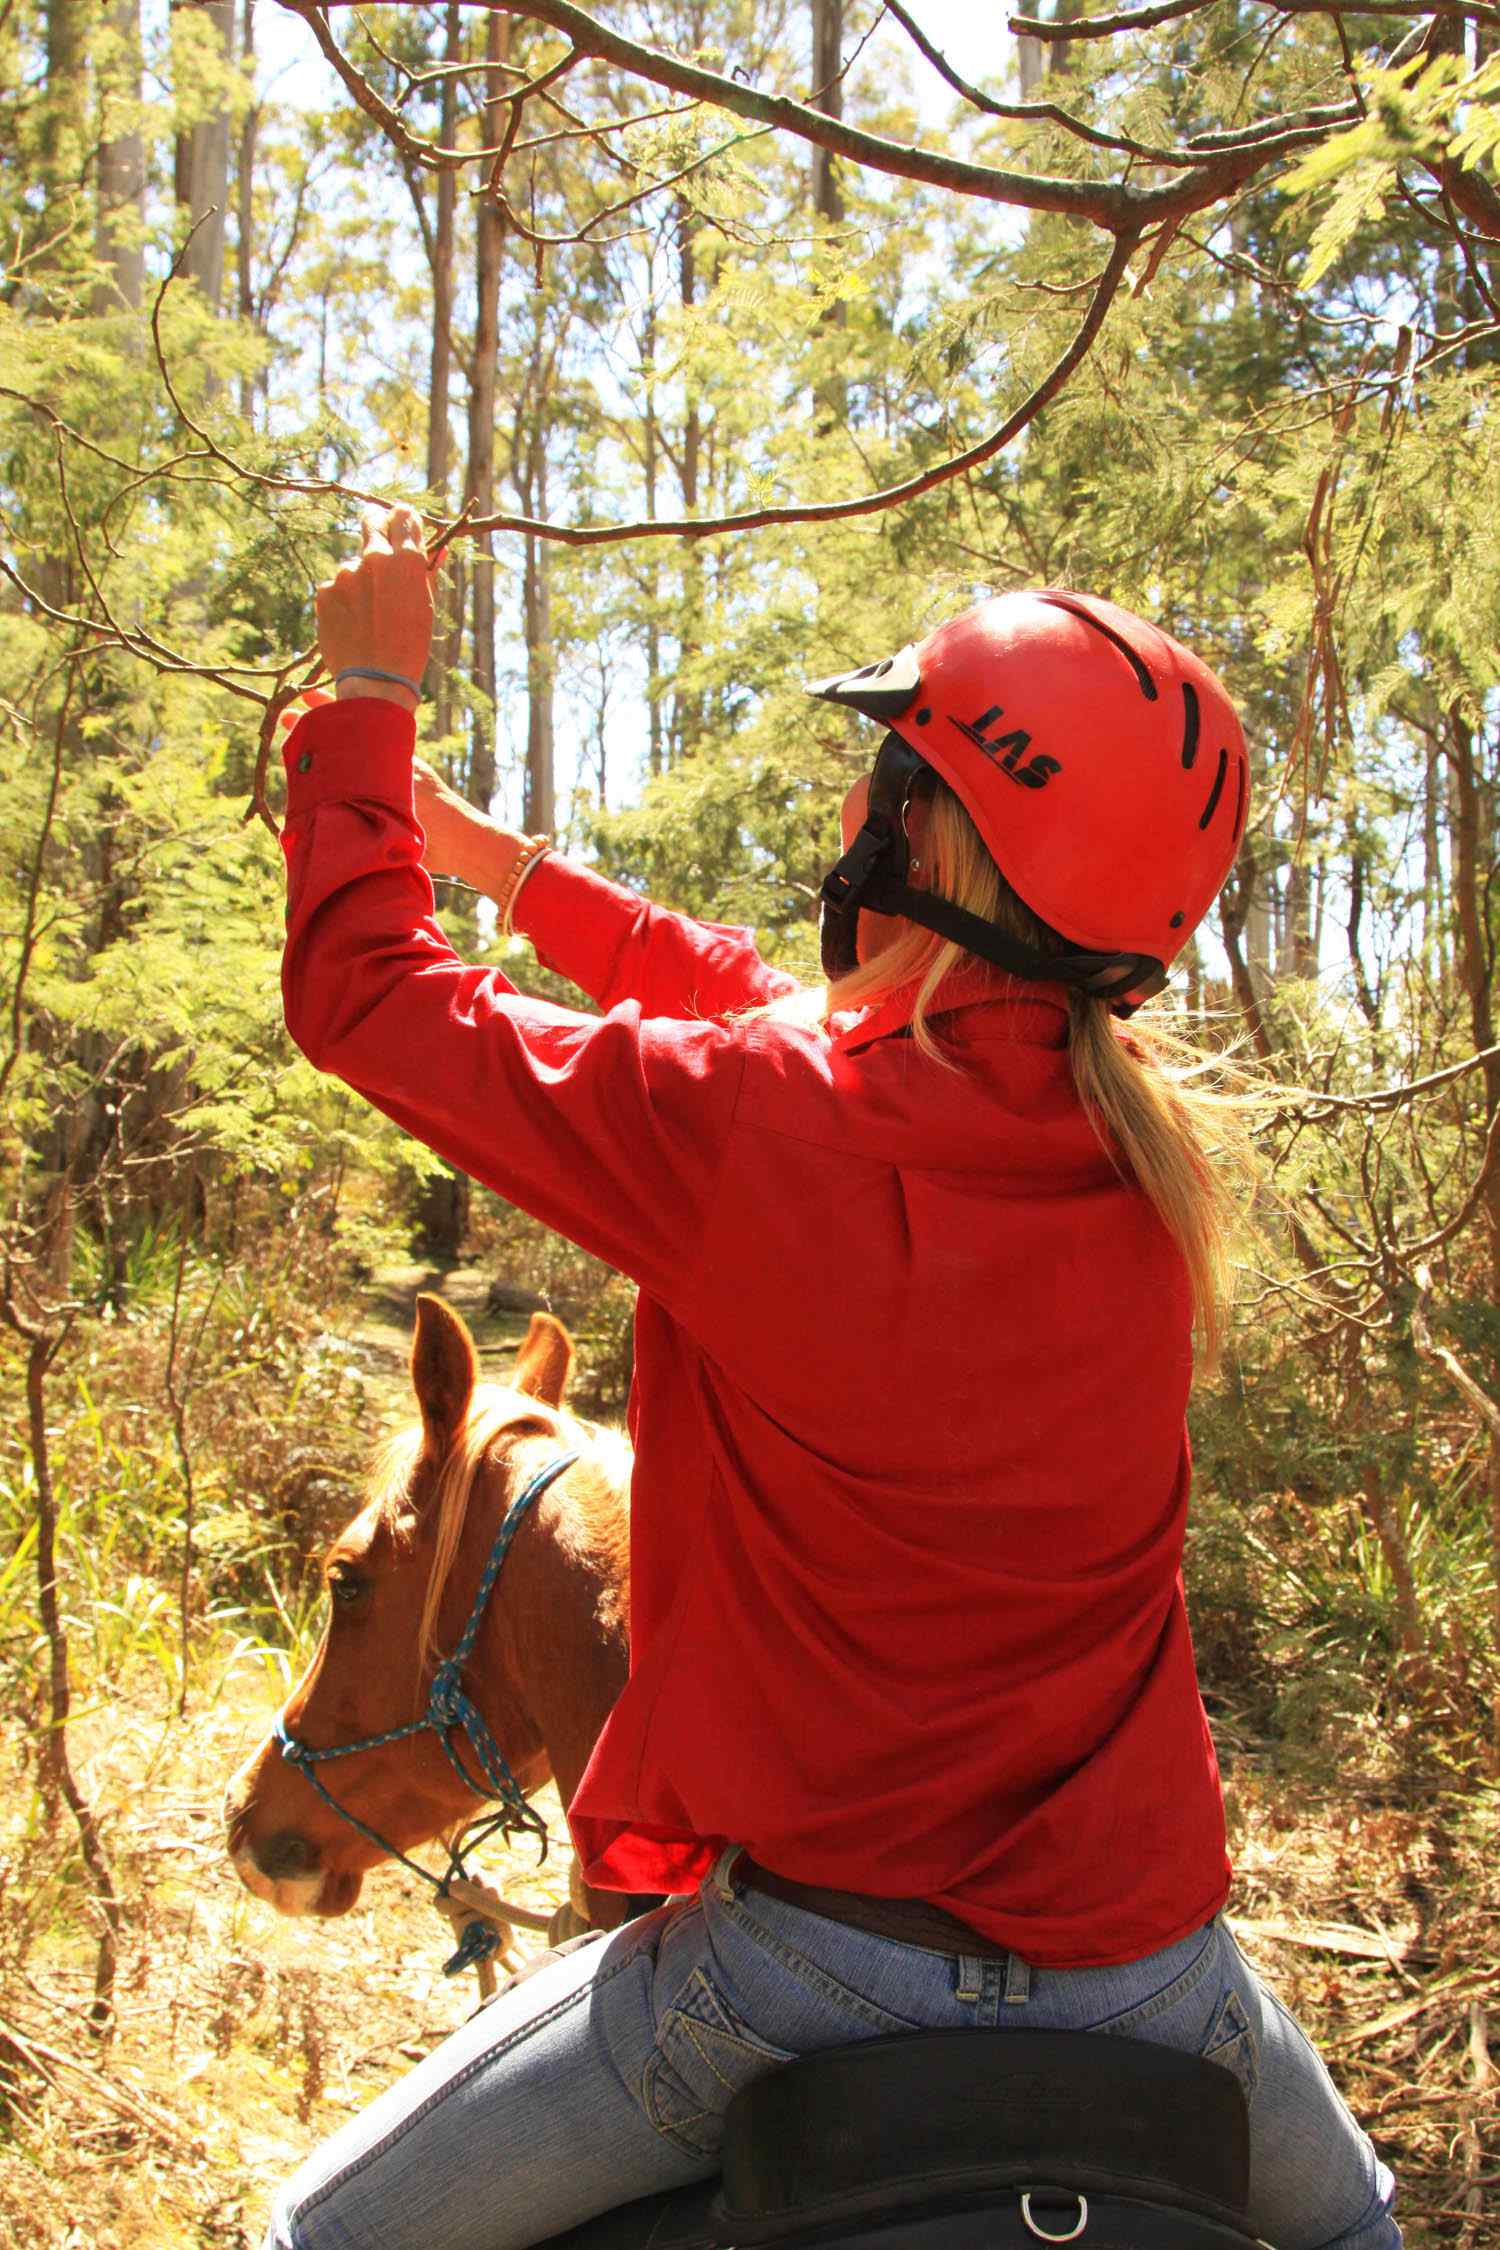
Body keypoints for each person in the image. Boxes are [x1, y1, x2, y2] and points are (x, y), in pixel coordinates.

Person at [264, 502, 1399, 2250]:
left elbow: (364, 989)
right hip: (1158, 1977)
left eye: (890, 777)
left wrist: (366, 691)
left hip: (803, 1974)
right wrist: (505, 868)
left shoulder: (754, 1134)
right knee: (1358, 2235)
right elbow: (781, 1013)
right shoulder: (1149, 1162)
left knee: (307, 2239)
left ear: (920, 837)